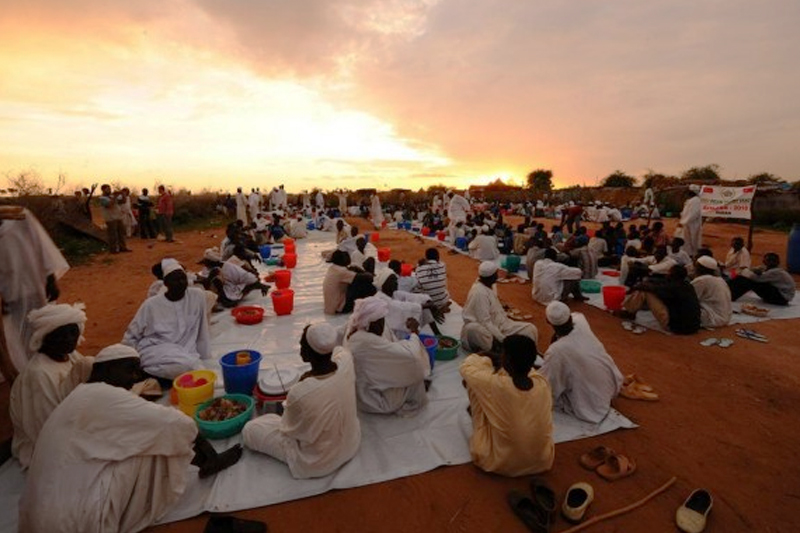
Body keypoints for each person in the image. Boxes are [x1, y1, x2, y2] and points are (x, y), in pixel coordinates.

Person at [19, 344, 242, 533]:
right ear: (106, 369)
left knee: (144, 435)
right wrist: (208, 453)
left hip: (34, 522)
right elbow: (176, 425)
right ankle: (204, 464)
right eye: (130, 370)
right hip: (76, 523)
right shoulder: (104, 395)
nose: (136, 378)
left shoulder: (80, 395)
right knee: (153, 441)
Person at [243, 323, 360, 478]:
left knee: (251, 429)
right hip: (351, 444)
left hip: (318, 462)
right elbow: (339, 350)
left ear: (308, 352)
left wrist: (291, 402)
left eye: (302, 344)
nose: (299, 346)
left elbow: (289, 430)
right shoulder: (346, 361)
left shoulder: (300, 393)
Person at [10, 303, 93, 469]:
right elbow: (46, 426)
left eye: (73, 332)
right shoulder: (39, 373)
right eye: (61, 335)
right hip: (47, 441)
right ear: (45, 338)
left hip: (74, 424)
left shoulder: (71, 356)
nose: (69, 339)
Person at [460, 334, 554, 476]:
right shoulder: (542, 383)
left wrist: (488, 355)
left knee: (473, 386)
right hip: (542, 460)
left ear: (508, 360)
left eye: (503, 354)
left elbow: (467, 367)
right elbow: (525, 371)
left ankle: (481, 427)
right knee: (491, 384)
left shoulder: (495, 385)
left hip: (498, 462)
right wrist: (503, 360)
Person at [0, 207, 70, 381]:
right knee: (12, 335)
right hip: (6, 294)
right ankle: (22, 373)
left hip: (32, 285)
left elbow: (41, 246)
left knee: (40, 329)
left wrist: (51, 278)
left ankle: (46, 372)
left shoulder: (20, 217)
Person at [122, 259, 211, 379]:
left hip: (186, 350)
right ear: (166, 283)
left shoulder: (197, 296)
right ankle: (146, 372)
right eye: (175, 280)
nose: (180, 282)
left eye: (183, 278)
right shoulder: (151, 304)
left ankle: (154, 375)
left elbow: (202, 328)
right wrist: (129, 359)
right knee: (189, 367)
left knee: (189, 366)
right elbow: (131, 334)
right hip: (156, 348)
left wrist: (205, 355)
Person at [539, 302, 624, 424]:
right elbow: (575, 317)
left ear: (547, 321)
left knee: (542, 391)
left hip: (591, 405)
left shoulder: (557, 351)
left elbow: (549, 386)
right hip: (612, 386)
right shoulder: (581, 321)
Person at [344, 297, 430, 416]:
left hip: (362, 391)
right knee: (412, 370)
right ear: (370, 323)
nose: (382, 325)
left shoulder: (358, 328)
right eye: (380, 321)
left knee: (404, 367)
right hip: (374, 398)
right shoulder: (366, 341)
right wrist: (414, 332)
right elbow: (411, 356)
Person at [461, 262, 538, 353]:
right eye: (496, 274)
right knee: (477, 331)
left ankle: (528, 355)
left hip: (501, 324)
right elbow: (485, 322)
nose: (497, 276)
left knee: (530, 329)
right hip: (485, 328)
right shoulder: (479, 293)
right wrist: (502, 339)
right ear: (492, 276)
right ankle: (497, 353)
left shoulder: (491, 285)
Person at [618, 264, 701, 335]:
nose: (667, 274)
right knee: (650, 290)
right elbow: (661, 284)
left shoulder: (673, 287)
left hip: (676, 327)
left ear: (672, 275)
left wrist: (633, 288)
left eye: (669, 273)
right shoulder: (687, 285)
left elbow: (648, 287)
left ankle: (630, 311)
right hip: (693, 327)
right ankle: (631, 310)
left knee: (646, 291)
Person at [727, 252, 796, 306]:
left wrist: (745, 271)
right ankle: (728, 291)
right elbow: (751, 270)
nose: (770, 262)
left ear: (777, 262)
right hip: (778, 294)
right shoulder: (767, 268)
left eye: (772, 261)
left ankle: (731, 295)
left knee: (749, 281)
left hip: (782, 298)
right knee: (744, 277)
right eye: (768, 261)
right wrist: (747, 271)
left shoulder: (776, 272)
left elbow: (755, 278)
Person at [323, 250, 375, 315]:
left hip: (331, 306)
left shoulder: (333, 268)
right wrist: (366, 272)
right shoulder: (342, 272)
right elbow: (367, 277)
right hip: (339, 307)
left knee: (356, 280)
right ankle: (372, 301)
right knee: (363, 284)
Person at [691, 256, 732, 328]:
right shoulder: (721, 280)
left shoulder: (701, 280)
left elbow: (689, 299)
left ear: (700, 269)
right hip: (725, 318)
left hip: (712, 318)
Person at [98, 184, 131, 254]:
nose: (109, 190)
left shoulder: (111, 197)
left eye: (109, 189)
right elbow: (109, 205)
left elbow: (123, 201)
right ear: (103, 190)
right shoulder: (102, 198)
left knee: (121, 234)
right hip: (110, 218)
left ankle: (122, 247)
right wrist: (115, 197)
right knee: (113, 235)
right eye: (107, 189)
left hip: (117, 217)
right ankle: (113, 249)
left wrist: (123, 194)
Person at [416, 248, 450, 312]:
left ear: (426, 257)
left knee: (417, 287)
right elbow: (439, 262)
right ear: (438, 257)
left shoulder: (419, 268)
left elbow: (418, 266)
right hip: (442, 301)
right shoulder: (442, 266)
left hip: (427, 303)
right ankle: (441, 306)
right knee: (446, 290)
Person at [675, 185, 703, 257]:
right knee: (685, 240)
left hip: (691, 224)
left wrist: (683, 222)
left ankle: (691, 255)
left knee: (691, 240)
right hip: (687, 224)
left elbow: (693, 214)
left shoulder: (696, 201)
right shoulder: (691, 200)